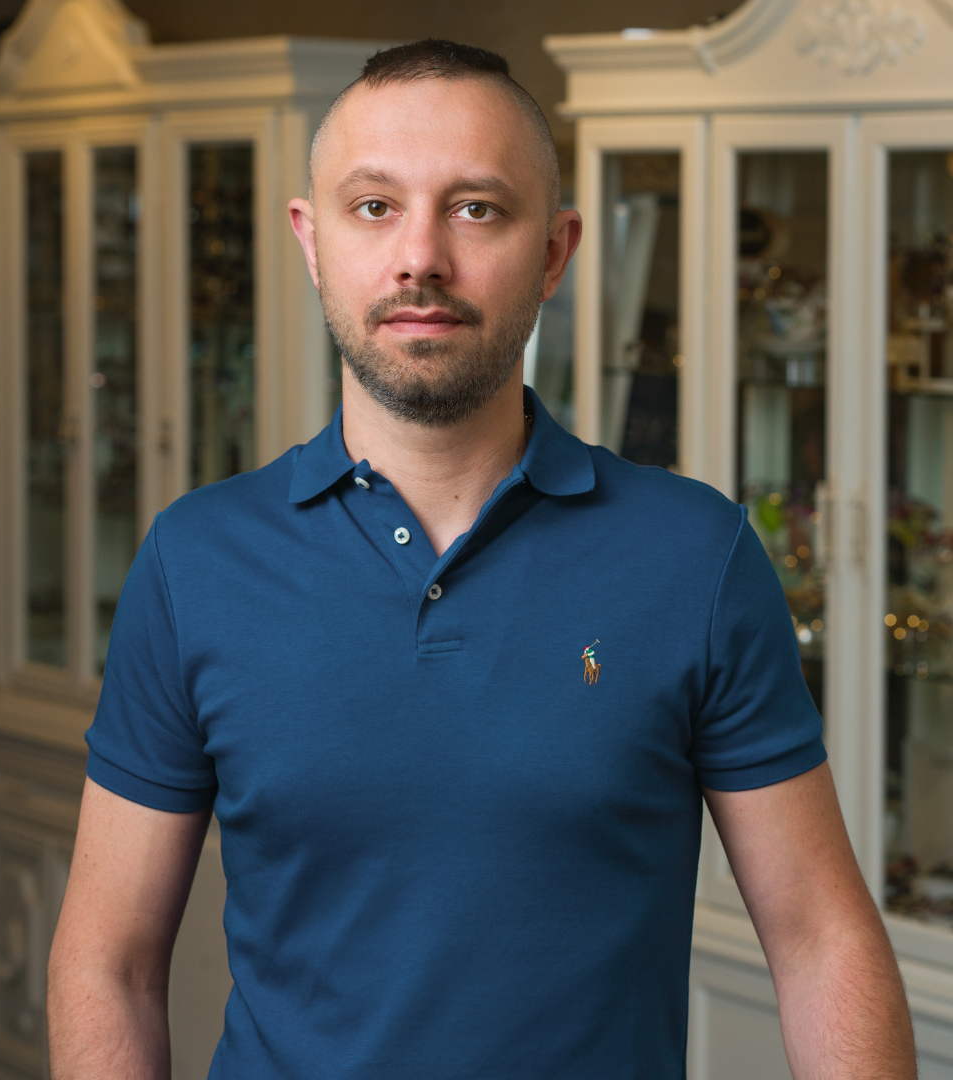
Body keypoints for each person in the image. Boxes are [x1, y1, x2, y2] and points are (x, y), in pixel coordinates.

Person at [47, 39, 916, 1080]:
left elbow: (822, 940)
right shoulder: (196, 560)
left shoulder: (697, 557)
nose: (421, 256)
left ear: (554, 251)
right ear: (311, 240)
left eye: (476, 209)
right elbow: (109, 963)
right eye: (374, 207)